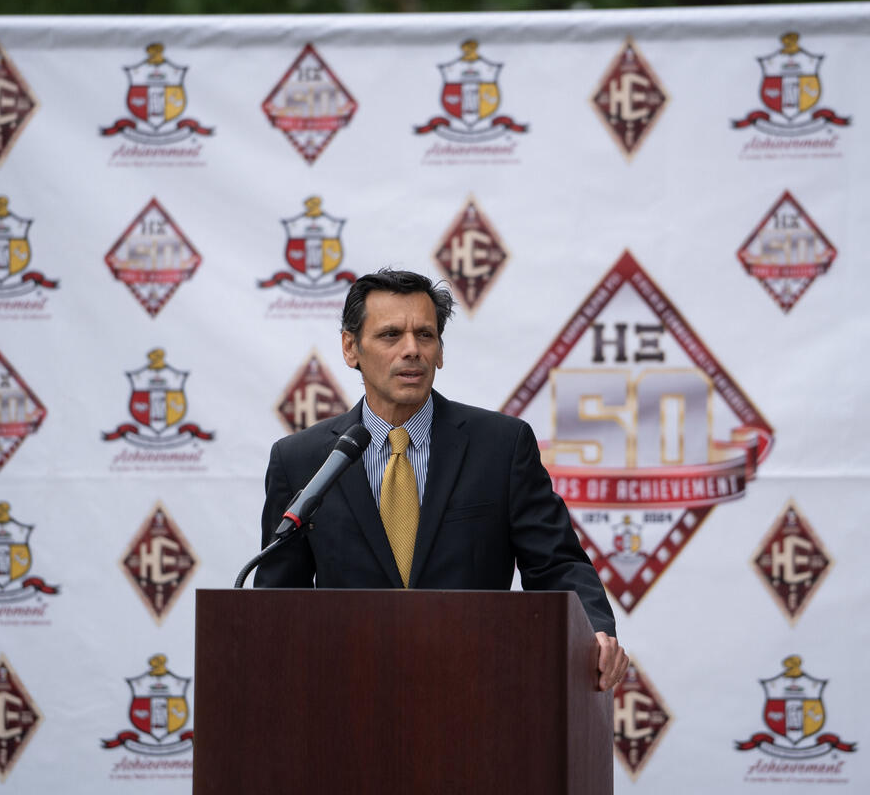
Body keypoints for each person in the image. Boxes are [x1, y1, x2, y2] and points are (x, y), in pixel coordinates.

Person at [255, 269, 628, 691]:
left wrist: (594, 631)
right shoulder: (302, 459)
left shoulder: (501, 447)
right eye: (391, 335)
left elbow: (557, 564)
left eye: (426, 335)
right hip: (345, 698)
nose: (412, 350)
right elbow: (278, 601)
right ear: (350, 347)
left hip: (477, 696)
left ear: (441, 350)